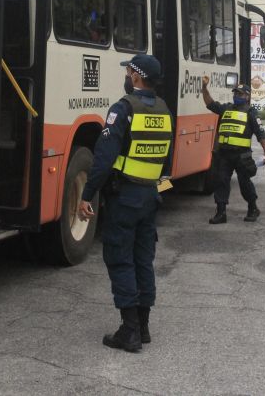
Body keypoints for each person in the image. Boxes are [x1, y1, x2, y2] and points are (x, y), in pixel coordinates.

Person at [78, 54, 173, 352]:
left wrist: (86, 195)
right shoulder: (164, 110)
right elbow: (167, 164)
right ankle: (143, 327)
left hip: (125, 198)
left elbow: (104, 159)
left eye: (129, 70)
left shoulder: (123, 109)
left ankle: (129, 331)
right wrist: (159, 191)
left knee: (120, 259)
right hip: (150, 198)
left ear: (135, 76)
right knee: (143, 260)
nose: (127, 75)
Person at [201, 76, 265, 224]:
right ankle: (221, 213)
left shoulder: (251, 113)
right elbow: (210, 103)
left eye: (240, 94)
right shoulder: (226, 108)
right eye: (235, 93)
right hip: (224, 154)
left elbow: (260, 133)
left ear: (247, 96)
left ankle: (253, 208)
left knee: (245, 183)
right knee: (221, 182)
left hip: (242, 156)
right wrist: (204, 88)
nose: (236, 96)